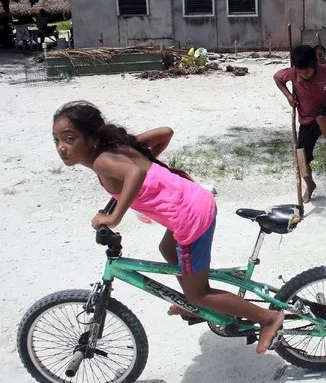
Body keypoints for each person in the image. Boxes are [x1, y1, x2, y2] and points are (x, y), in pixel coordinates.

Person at [51, 101, 284, 355]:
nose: (62, 148)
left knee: (200, 293)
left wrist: (115, 216)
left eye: (69, 139)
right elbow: (166, 132)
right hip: (194, 200)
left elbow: (133, 174)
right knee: (167, 249)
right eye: (57, 141)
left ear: (92, 138)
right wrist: (141, 153)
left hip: (190, 217)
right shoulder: (119, 148)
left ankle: (267, 318)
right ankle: (194, 304)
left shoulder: (102, 162)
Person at [274, 45, 326, 203]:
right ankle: (310, 185)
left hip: (325, 113)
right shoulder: (293, 73)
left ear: (315, 65)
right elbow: (277, 78)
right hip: (306, 120)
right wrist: (288, 95)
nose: (303, 74)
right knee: (301, 160)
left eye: (306, 71)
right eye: (299, 71)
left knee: (320, 117)